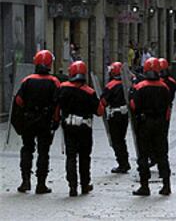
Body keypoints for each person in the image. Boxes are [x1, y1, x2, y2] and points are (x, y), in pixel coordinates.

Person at [13, 50, 60, 194]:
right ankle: (41, 184)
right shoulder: (54, 82)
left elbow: (19, 101)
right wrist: (56, 120)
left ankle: (25, 181)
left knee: (27, 149)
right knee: (43, 152)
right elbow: (58, 103)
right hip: (45, 121)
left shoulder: (27, 80)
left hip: (28, 120)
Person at [57, 61, 104, 197]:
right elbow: (100, 111)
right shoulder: (89, 92)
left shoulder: (63, 88)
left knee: (70, 157)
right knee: (84, 157)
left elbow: (57, 107)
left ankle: (72, 187)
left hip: (69, 127)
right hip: (84, 128)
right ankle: (85, 185)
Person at [131, 57, 171, 196]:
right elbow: (168, 107)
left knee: (143, 155)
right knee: (162, 154)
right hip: (160, 124)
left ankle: (144, 186)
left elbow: (133, 106)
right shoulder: (164, 87)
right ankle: (166, 185)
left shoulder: (139, 87)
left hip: (144, 124)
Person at [100, 62, 131, 174]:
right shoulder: (127, 84)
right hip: (125, 115)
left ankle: (123, 164)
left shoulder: (111, 85)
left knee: (116, 141)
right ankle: (124, 162)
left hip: (115, 115)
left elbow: (103, 102)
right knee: (121, 139)